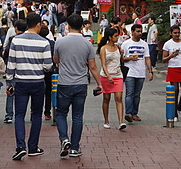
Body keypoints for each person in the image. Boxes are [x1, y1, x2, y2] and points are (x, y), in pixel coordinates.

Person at [54, 14, 101, 158]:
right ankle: (75, 148)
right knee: (77, 116)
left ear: (68, 25)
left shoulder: (60, 42)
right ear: (82, 26)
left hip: (64, 83)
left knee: (61, 113)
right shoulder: (88, 43)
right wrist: (99, 83)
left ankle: (64, 139)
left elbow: (56, 60)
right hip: (81, 84)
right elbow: (92, 67)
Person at [6, 13, 52, 160]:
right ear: (38, 24)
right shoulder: (44, 42)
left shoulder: (16, 40)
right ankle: (33, 147)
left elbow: (11, 63)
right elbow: (48, 66)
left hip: (21, 82)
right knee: (36, 114)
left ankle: (20, 146)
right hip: (38, 82)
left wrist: (9, 82)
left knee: (19, 114)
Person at [121, 24, 153, 123]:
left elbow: (147, 58)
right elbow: (121, 59)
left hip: (140, 72)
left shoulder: (144, 44)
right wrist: (130, 58)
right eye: (138, 31)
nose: (140, 33)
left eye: (141, 31)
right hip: (129, 72)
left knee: (137, 94)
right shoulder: (126, 44)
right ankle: (128, 113)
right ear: (132, 32)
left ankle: (134, 113)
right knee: (129, 93)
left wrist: (150, 71)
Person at [98, 27, 126, 130]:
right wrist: (108, 75)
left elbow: (120, 61)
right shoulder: (103, 49)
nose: (117, 37)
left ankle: (121, 121)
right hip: (106, 76)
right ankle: (106, 120)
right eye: (115, 36)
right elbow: (103, 64)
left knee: (119, 98)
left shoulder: (118, 47)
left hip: (118, 75)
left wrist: (122, 54)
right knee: (106, 99)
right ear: (109, 37)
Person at [162, 25, 181, 115]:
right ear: (171, 33)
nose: (177, 34)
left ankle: (179, 106)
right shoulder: (168, 44)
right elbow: (164, 59)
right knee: (175, 92)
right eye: (175, 33)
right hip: (173, 68)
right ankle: (174, 113)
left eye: (178, 32)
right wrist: (172, 56)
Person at [2, 20, 26, 124]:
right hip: (24, 71)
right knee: (22, 95)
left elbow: (7, 53)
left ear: (16, 28)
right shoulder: (28, 39)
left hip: (13, 70)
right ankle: (20, 115)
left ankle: (9, 115)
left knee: (10, 93)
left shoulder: (13, 39)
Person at [39, 24, 56, 121]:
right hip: (49, 70)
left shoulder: (36, 43)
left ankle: (34, 111)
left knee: (37, 92)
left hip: (37, 70)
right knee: (49, 92)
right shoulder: (51, 43)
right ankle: (47, 112)